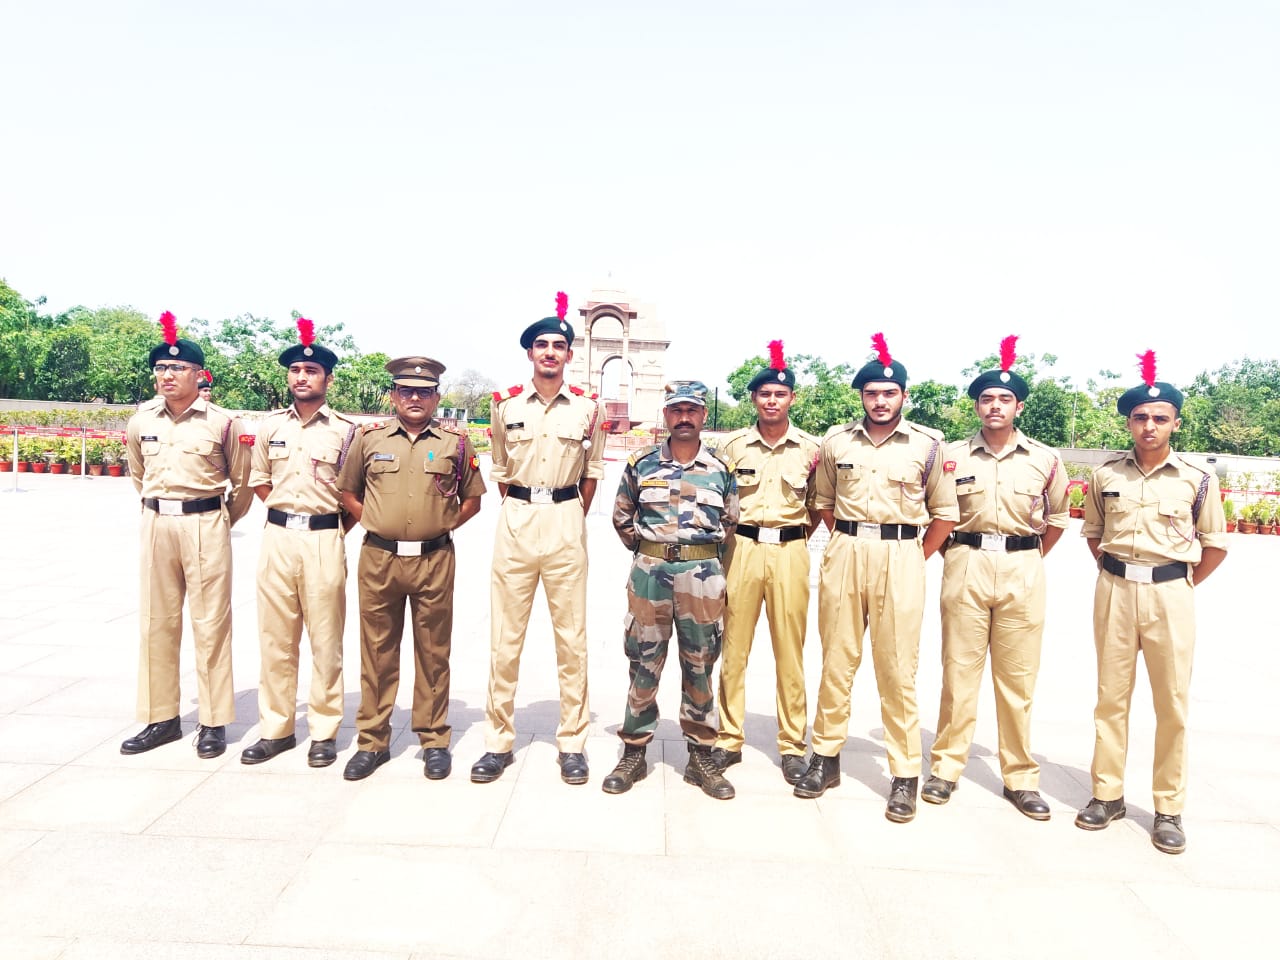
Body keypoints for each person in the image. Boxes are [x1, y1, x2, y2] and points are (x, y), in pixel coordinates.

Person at [794, 333, 957, 823]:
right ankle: (824, 758)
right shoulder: (836, 441)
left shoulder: (928, 445)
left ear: (904, 396)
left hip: (903, 553)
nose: (880, 401)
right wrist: (850, 539)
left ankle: (905, 772)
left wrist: (911, 555)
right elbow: (822, 501)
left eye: (889, 393)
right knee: (837, 661)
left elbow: (944, 513)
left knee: (896, 668)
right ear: (861, 396)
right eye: (871, 393)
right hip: (845, 549)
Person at [1075, 351, 1227, 854]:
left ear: (1175, 424)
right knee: (1110, 699)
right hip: (1115, 589)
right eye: (1140, 417)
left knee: (1172, 705)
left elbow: (1216, 544)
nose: (1149, 425)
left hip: (1170, 593)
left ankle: (1168, 808)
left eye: (1160, 418)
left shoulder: (1196, 478)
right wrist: (1121, 573)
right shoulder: (1106, 476)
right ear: (1129, 422)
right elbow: (1093, 533)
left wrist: (1176, 583)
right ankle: (1107, 794)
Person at [921, 337, 1068, 819]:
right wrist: (955, 553)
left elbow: (1060, 517)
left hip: (1024, 567)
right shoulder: (951, 455)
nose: (995, 406)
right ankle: (945, 768)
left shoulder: (1045, 459)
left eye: (1005, 399)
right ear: (977, 405)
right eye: (986, 398)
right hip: (965, 562)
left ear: (1019, 406)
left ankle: (1020, 777)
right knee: (958, 672)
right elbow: (935, 511)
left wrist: (1027, 554)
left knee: (1017, 679)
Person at [471, 292, 604, 786]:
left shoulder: (589, 409)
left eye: (558, 345)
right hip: (519, 518)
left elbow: (591, 469)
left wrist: (568, 509)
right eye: (541, 345)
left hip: (567, 519)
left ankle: (572, 742)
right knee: (505, 638)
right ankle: (497, 741)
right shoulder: (505, 405)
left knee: (573, 638)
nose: (550, 352)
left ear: (570, 354)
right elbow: (501, 469)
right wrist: (527, 504)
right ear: (529, 353)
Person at [336, 357, 485, 781]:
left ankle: (434, 738)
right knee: (377, 651)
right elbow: (347, 490)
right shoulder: (368, 439)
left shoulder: (456, 443)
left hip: (434, 559)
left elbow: (472, 500)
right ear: (394, 396)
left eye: (424, 391)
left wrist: (440, 525)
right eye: (406, 391)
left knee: (434, 652)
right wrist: (374, 519)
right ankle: (372, 740)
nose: (415, 398)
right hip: (379, 558)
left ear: (437, 397)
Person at [120, 312, 253, 759]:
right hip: (157, 523)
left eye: (177, 368)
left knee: (211, 623)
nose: (166, 375)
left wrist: (215, 520)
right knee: (157, 621)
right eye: (160, 368)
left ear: (199, 374)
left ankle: (213, 721)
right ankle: (161, 718)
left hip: (206, 523)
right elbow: (139, 475)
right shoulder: (142, 421)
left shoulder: (222, 422)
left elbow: (242, 482)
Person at [603, 380, 739, 800]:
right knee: (644, 662)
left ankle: (701, 754)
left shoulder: (721, 468)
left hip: (702, 575)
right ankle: (634, 751)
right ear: (666, 415)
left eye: (692, 410)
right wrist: (654, 553)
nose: (684, 417)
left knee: (700, 665)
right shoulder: (641, 464)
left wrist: (696, 556)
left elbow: (730, 522)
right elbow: (622, 517)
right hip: (650, 574)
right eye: (676, 410)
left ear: (702, 416)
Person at [241, 318, 356, 768]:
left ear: (327, 379)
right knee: (275, 638)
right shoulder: (269, 427)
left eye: (311, 371)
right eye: (294, 371)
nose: (301, 377)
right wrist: (288, 516)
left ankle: (324, 730)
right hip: (278, 537)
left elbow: (354, 493)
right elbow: (260, 482)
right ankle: (276, 728)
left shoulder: (346, 431)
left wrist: (331, 525)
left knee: (326, 639)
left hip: (326, 537)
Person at [710, 341, 820, 785]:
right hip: (742, 550)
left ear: (792, 398)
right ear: (753, 399)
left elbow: (819, 505)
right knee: (733, 649)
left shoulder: (811, 449)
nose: (772, 401)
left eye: (780, 393)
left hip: (791, 550)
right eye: (764, 394)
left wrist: (792, 539)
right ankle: (728, 737)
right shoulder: (733, 447)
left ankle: (793, 744)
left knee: (789, 652)